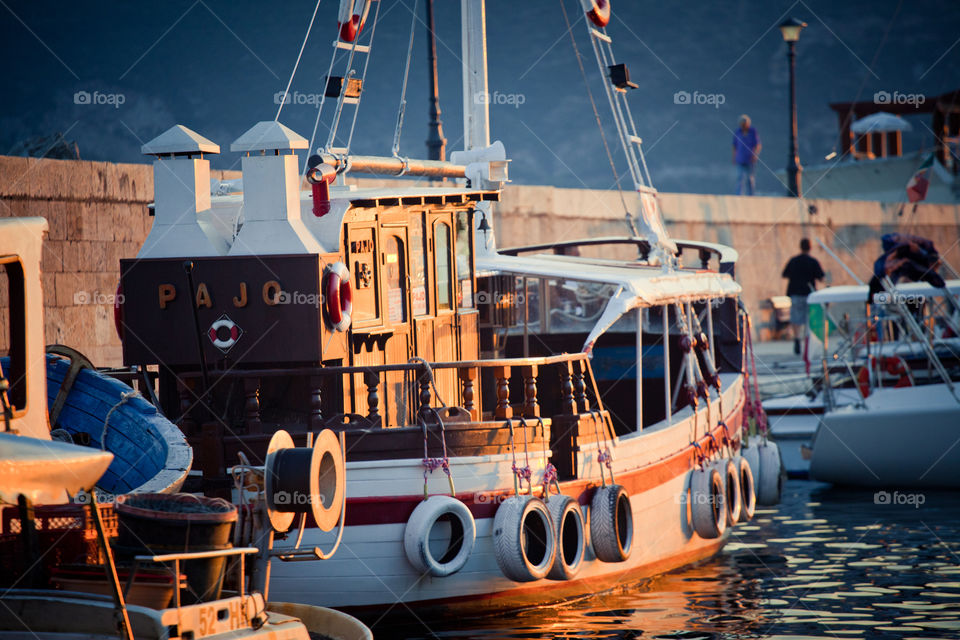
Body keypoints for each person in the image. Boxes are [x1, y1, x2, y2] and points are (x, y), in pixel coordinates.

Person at [782, 238, 825, 354]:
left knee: (796, 319)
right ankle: (807, 340)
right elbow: (821, 277)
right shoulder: (813, 261)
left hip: (795, 293)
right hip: (809, 295)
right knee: (809, 319)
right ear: (810, 247)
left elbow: (784, 274)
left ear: (800, 247)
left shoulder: (794, 260)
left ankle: (797, 339)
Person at [732, 114, 761, 195]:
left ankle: (751, 195)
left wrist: (755, 155)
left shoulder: (753, 132)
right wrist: (734, 157)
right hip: (740, 159)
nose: (743, 126)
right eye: (742, 124)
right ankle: (738, 195)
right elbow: (734, 146)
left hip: (750, 159)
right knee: (740, 178)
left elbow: (757, 145)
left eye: (744, 124)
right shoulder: (737, 132)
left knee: (750, 179)